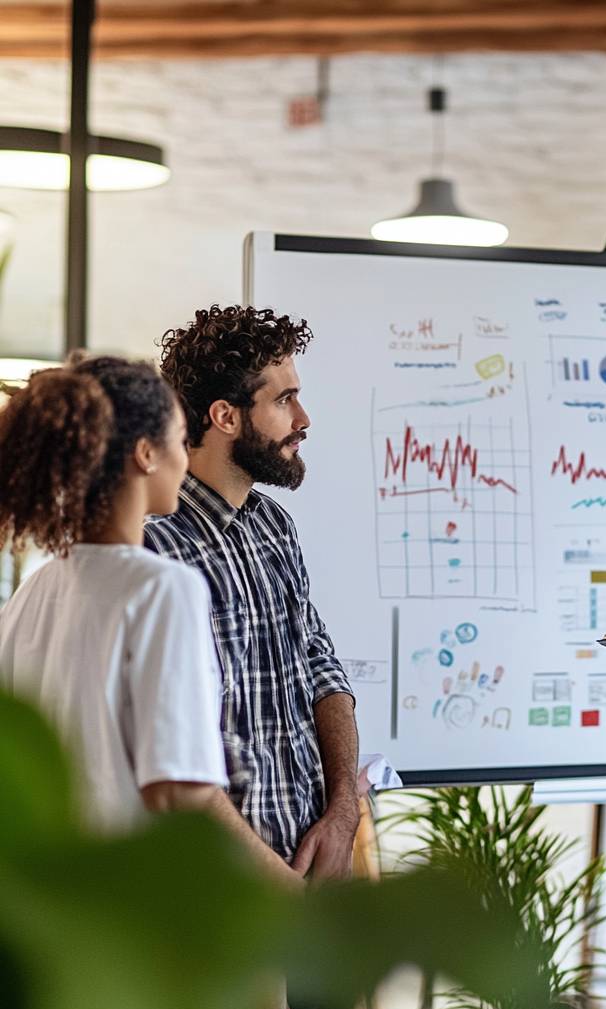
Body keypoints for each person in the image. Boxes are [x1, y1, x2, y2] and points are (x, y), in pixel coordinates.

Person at [0, 356, 301, 891]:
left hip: (59, 910)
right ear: (145, 454)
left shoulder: (30, 595)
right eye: (180, 440)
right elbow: (179, 794)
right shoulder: (164, 586)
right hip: (153, 918)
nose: (185, 460)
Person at [144, 305, 359, 880]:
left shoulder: (274, 526)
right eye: (284, 400)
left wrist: (342, 816)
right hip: (219, 890)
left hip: (315, 866)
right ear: (226, 416)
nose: (304, 417)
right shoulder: (150, 547)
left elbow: (322, 670)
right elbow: (162, 746)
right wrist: (271, 880)